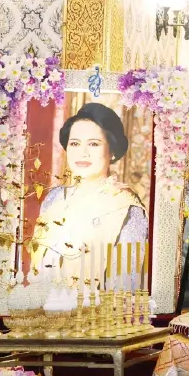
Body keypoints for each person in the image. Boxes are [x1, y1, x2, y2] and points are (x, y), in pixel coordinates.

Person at [30, 102, 147, 285]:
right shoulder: (54, 198)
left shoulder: (126, 206)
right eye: (75, 143)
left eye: (93, 144)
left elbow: (125, 283)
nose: (82, 153)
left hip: (95, 310)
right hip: (43, 306)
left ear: (112, 151)